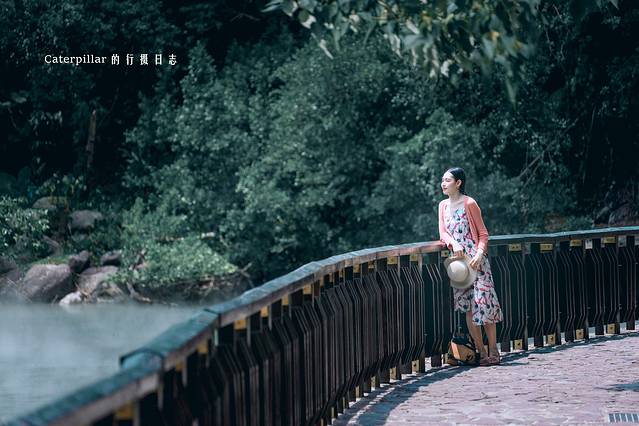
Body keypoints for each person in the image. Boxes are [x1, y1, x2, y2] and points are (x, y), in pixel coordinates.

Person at [438, 167, 503, 366]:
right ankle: (481, 352)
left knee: (485, 304)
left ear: (458, 183)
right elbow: (443, 233)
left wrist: (479, 254)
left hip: (477, 261)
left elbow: (483, 234)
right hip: (459, 264)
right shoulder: (442, 206)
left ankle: (494, 350)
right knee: (468, 308)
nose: (443, 183)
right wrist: (453, 243)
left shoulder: (469, 203)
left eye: (447, 180)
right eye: (442, 180)